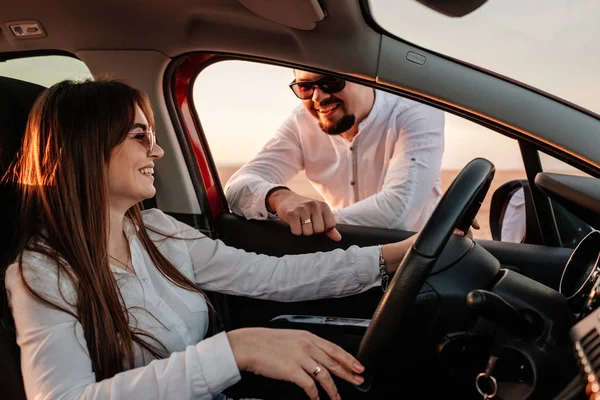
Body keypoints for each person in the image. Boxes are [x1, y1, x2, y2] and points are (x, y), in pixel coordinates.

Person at [2, 79, 418, 400]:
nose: (158, 151)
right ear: (87, 147)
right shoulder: (39, 273)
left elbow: (273, 276)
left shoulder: (158, 231)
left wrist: (398, 254)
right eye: (140, 135)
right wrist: (233, 352)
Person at [225, 70, 446, 241]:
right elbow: (237, 188)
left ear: (366, 75)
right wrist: (280, 197)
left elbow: (398, 212)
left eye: (331, 82)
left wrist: (313, 223)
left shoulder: (415, 111)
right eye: (305, 88)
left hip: (420, 258)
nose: (318, 97)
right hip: (344, 257)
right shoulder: (300, 124)